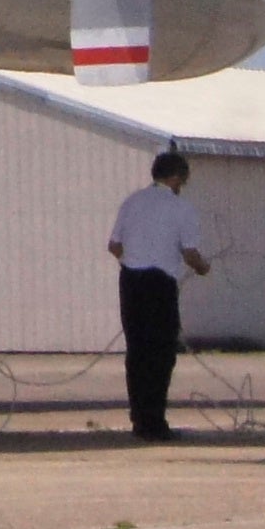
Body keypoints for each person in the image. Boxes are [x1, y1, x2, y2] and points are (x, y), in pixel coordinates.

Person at [108, 148, 210, 438]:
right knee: (161, 352)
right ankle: (154, 421)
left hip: (131, 281)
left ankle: (139, 419)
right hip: (160, 284)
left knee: (137, 351)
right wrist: (203, 268)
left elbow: (114, 246)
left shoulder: (132, 202)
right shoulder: (181, 208)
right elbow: (190, 253)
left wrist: (132, 260)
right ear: (176, 177)